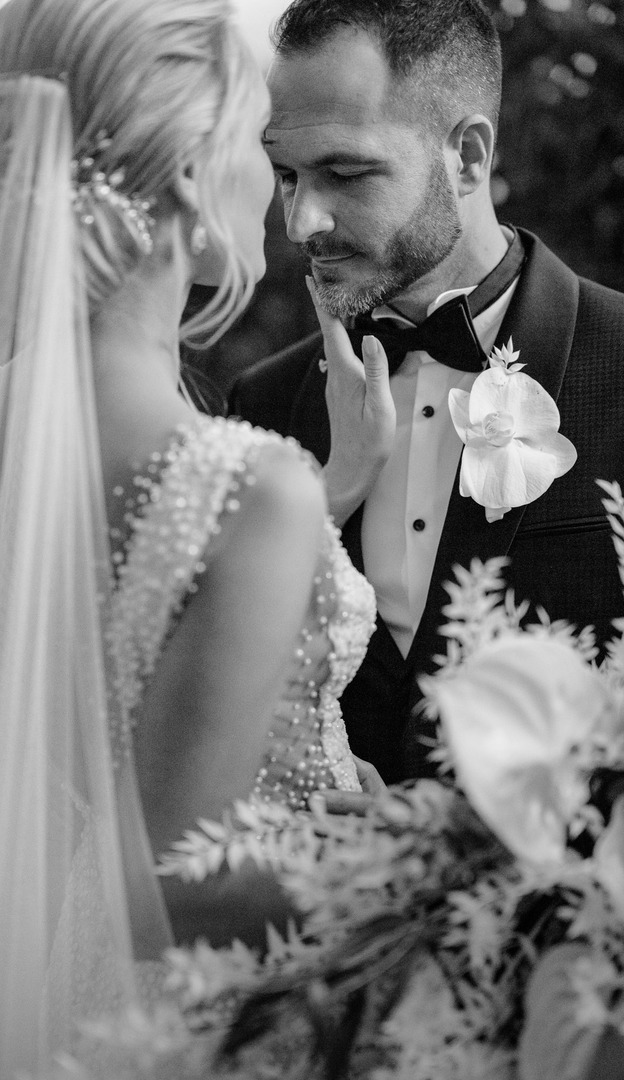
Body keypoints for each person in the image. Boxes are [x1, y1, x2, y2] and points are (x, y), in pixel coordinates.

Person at [0, 0, 385, 1076]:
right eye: (260, 150)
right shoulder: (249, 487)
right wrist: (406, 860)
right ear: (184, 180)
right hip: (219, 1025)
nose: (284, 197)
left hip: (36, 1001)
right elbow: (165, 886)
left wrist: (332, 497)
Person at [230, 0, 624, 786]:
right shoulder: (264, 408)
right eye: (285, 174)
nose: (302, 221)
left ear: (469, 158)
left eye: (345, 172)